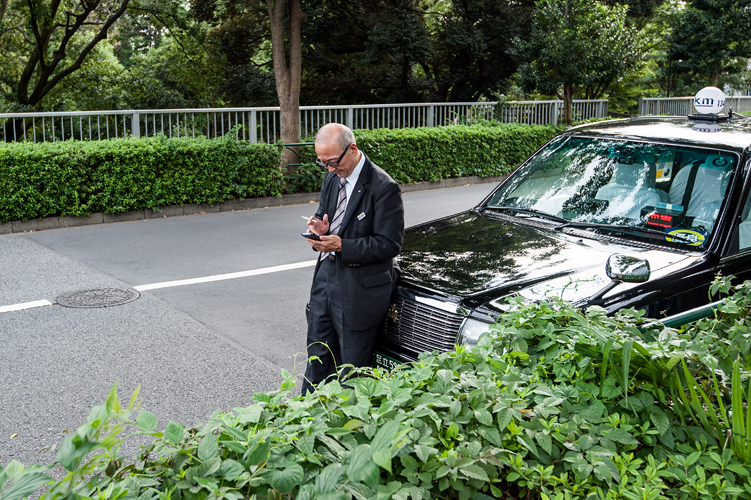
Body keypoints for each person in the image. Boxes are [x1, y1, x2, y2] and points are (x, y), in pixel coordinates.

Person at [301, 123, 404, 395]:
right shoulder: (332, 178)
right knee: (317, 358)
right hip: (326, 279)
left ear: (353, 149)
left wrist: (342, 245)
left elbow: (389, 244)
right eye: (322, 163)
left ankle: (346, 427)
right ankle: (305, 423)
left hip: (359, 288)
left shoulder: (384, 187)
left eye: (333, 162)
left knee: (351, 370)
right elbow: (325, 219)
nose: (330, 169)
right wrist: (320, 233)